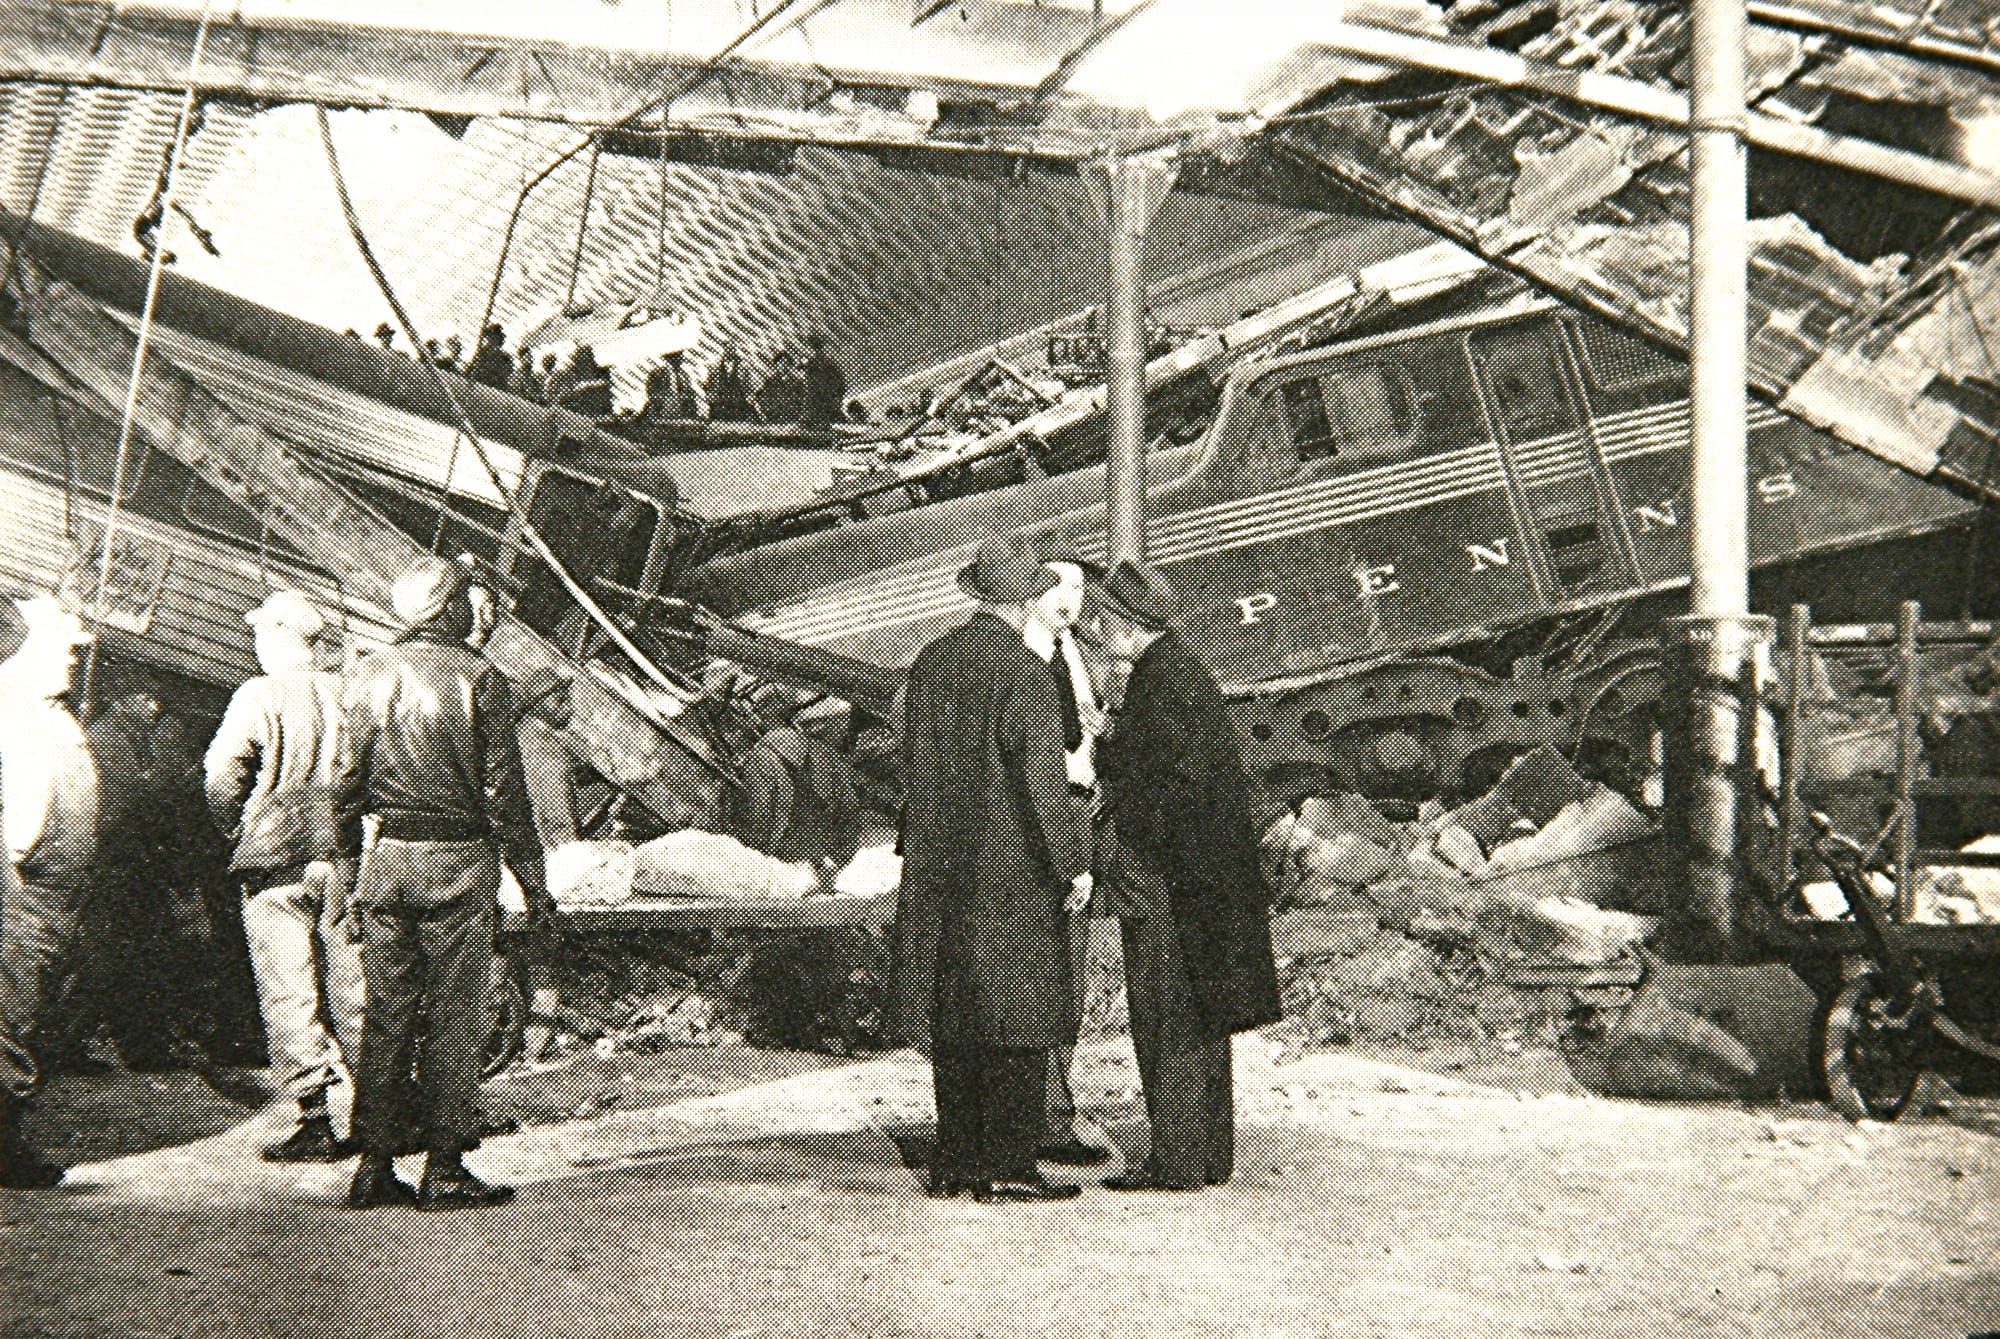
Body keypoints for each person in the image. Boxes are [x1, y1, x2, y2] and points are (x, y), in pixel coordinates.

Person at [333, 557, 549, 1210]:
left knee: (387, 1016)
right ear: (450, 606)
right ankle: (445, 1167)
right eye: (470, 600)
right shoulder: (481, 677)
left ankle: (373, 1163)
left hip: (388, 861)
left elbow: (344, 787)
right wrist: (534, 882)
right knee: (456, 1018)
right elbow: (505, 795)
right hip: (457, 864)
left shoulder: (367, 673)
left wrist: (349, 872)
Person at [893, 533, 1091, 1204]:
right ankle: (1009, 1164)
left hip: (940, 865)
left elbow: (910, 762)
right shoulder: (1025, 672)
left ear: (978, 596)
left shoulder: (933, 662)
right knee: (1018, 1017)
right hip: (1009, 870)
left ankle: (958, 1162)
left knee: (957, 1014)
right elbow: (1041, 783)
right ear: (1028, 600)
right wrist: (1071, 865)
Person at [1089, 560, 1281, 1192]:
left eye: (1096, 618)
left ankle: (1179, 1160)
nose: (1089, 633)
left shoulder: (1160, 681)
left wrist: (1122, 831)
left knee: (1167, 1016)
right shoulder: (1181, 670)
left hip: (1173, 880)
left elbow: (1174, 787)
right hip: (1200, 877)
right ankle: (1204, 1155)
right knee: (1196, 1019)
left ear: (1125, 619)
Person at [204, 590, 366, 1163]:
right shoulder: (349, 690)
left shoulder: (259, 693)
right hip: (343, 856)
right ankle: (376, 1109)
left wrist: (234, 829)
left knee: (289, 990)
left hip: (274, 860)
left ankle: (315, 1118)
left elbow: (223, 772)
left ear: (276, 635)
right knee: (352, 984)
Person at [0, 596, 99, 1187]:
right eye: (65, 647)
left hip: (54, 892)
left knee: (22, 1010)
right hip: (20, 889)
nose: (73, 657)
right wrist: (18, 855)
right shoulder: (10, 706)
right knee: (5, 1012)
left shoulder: (44, 708)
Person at [1023, 551, 1113, 1169]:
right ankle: (1037, 1117)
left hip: (1077, 810)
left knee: (1067, 978)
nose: (1071, 603)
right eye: (1062, 590)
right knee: (1036, 978)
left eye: (1077, 591)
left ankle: (1054, 1111)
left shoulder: (1070, 655)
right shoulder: (1023, 663)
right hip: (1043, 824)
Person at [799, 333, 848, 430]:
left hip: (821, 409)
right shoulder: (823, 364)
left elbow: (840, 386)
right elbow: (841, 386)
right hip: (820, 409)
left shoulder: (819, 366)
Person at [704, 343, 756, 422]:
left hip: (738, 407)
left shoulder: (743, 368)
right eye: (727, 349)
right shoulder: (715, 368)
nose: (729, 351)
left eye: (732, 349)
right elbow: (709, 387)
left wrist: (749, 399)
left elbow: (748, 387)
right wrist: (711, 400)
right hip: (720, 407)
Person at [467, 324, 515, 390]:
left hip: (495, 389)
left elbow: (507, 373)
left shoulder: (505, 357)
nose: (492, 339)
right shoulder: (481, 353)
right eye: (490, 336)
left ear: (499, 339)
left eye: (495, 337)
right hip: (478, 386)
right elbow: (472, 368)